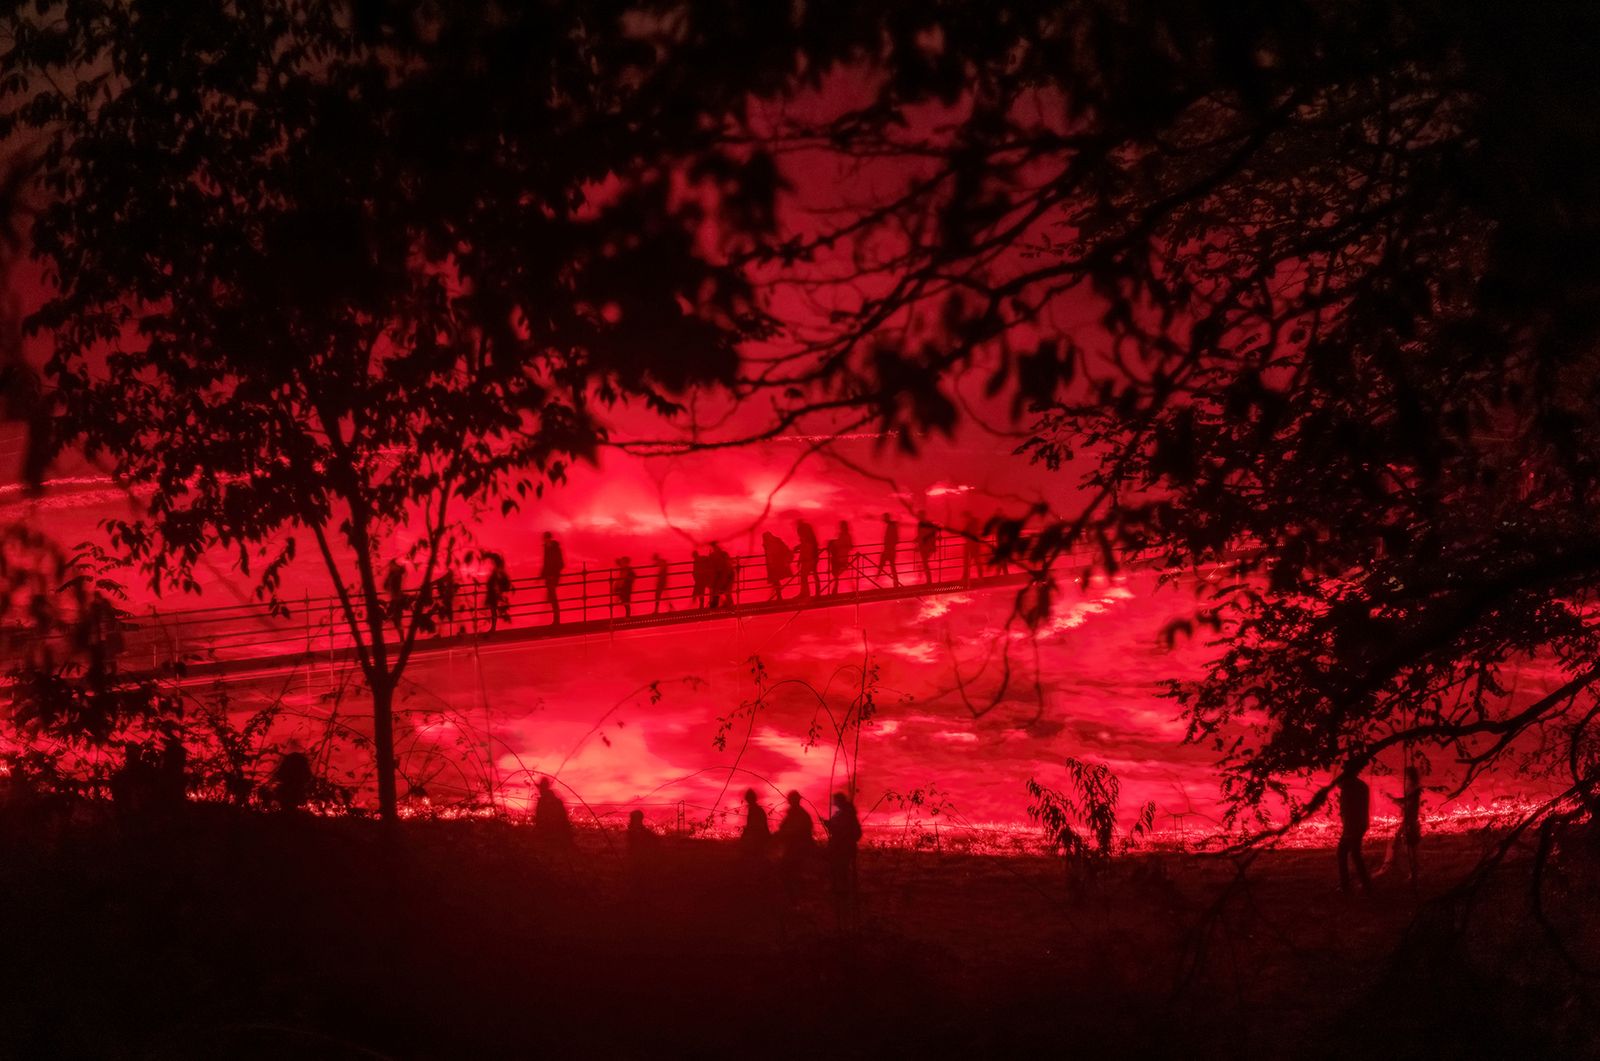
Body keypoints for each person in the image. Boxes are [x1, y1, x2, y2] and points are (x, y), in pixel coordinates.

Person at [823, 792, 862, 925]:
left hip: (842, 848)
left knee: (840, 870)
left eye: (835, 800)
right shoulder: (846, 814)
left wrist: (831, 826)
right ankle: (840, 892)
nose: (833, 802)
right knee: (838, 869)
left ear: (838, 801)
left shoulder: (846, 815)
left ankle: (842, 894)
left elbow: (844, 831)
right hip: (841, 848)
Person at [1380, 765, 1423, 885]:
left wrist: (1392, 799)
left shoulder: (1414, 790)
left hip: (1410, 822)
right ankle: (1411, 872)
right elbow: (1405, 803)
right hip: (1409, 821)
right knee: (1408, 848)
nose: (1405, 778)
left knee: (1410, 849)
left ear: (1410, 776)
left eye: (1407, 776)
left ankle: (1414, 874)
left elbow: (1406, 804)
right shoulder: (1413, 789)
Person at [1336, 764, 1372, 893]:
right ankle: (1365, 884)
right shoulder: (1362, 786)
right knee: (1355, 854)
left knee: (1344, 854)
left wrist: (1348, 828)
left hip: (1351, 826)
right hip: (1360, 824)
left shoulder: (1348, 787)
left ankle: (1347, 885)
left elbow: (1347, 809)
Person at [776, 790, 814, 902]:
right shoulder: (798, 814)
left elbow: (794, 832)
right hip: (794, 849)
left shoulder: (798, 815)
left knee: (790, 873)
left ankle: (795, 900)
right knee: (791, 873)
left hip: (796, 850)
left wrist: (781, 835)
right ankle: (795, 900)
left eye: (790, 799)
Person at [534, 777, 574, 849]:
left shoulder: (542, 803)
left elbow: (539, 821)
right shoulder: (557, 802)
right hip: (559, 838)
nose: (539, 790)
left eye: (541, 788)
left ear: (543, 788)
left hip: (549, 838)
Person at [483, 551, 512, 632]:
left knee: (493, 611)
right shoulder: (498, 570)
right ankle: (493, 627)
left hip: (493, 594)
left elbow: (496, 582)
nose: (492, 563)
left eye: (493, 562)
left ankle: (493, 627)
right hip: (494, 593)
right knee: (492, 611)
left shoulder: (497, 571)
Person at [541, 531, 564, 624]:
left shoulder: (553, 548)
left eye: (545, 538)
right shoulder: (548, 548)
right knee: (551, 597)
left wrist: (552, 574)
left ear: (548, 538)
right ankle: (553, 618)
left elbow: (559, 563)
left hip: (552, 577)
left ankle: (555, 619)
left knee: (552, 597)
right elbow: (546, 563)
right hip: (550, 576)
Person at [762, 531, 793, 601]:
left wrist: (771, 564)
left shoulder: (770, 544)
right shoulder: (775, 541)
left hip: (774, 565)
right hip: (775, 564)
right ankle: (777, 596)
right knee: (775, 581)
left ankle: (778, 596)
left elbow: (770, 555)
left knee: (775, 580)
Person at [740, 788, 770, 857]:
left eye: (748, 800)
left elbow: (754, 826)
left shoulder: (755, 810)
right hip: (759, 838)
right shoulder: (756, 809)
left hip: (758, 839)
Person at [796, 519, 821, 598]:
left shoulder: (805, 535)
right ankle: (816, 591)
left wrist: (800, 560)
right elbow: (804, 547)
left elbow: (805, 548)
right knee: (813, 574)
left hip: (808, 560)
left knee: (804, 576)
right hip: (811, 558)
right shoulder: (810, 537)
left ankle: (805, 593)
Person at [827, 520, 853, 593]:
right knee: (841, 574)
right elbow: (849, 546)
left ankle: (836, 587)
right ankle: (851, 588)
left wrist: (832, 543)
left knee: (838, 573)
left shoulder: (845, 535)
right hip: (841, 557)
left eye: (841, 526)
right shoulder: (844, 535)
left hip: (841, 558)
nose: (841, 527)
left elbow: (841, 544)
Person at [384, 559, 408, 634]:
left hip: (396, 598)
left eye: (391, 565)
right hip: (395, 598)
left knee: (396, 617)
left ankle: (401, 637)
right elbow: (386, 585)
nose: (390, 567)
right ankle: (401, 637)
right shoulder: (394, 574)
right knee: (396, 617)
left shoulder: (396, 575)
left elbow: (392, 586)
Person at [708, 541, 735, 607]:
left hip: (726, 575)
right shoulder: (722, 555)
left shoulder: (717, 556)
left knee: (719, 590)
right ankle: (728, 604)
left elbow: (715, 567)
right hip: (727, 574)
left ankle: (717, 604)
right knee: (725, 591)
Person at [915, 511, 938, 583]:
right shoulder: (921, 524)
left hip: (926, 547)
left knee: (924, 562)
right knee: (924, 562)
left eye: (920, 515)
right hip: (923, 546)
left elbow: (930, 533)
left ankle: (928, 579)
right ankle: (925, 577)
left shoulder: (926, 524)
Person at [878, 513, 900, 586]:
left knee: (884, 562)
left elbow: (895, 538)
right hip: (889, 549)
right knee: (891, 565)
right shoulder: (891, 525)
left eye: (884, 518)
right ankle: (895, 582)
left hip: (889, 550)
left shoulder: (891, 525)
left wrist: (890, 545)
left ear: (887, 518)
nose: (884, 520)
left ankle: (877, 577)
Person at [961, 512, 984, 582]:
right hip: (971, 545)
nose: (964, 520)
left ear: (968, 517)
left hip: (973, 546)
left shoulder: (973, 523)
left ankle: (968, 577)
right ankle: (966, 577)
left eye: (965, 518)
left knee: (974, 562)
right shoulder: (971, 523)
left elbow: (967, 533)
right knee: (970, 562)